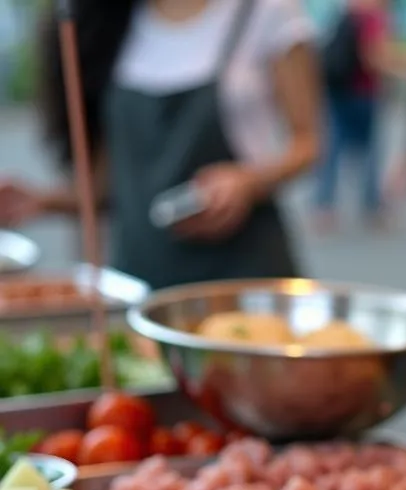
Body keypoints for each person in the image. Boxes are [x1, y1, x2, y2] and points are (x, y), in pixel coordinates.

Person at [0, 0, 320, 289]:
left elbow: (307, 143)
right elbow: (110, 189)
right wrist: (41, 201)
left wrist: (247, 182)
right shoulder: (113, 22)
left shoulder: (266, 11)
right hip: (139, 279)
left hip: (244, 276)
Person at [311, 0, 390, 233]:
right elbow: (372, 55)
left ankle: (323, 205)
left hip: (337, 90)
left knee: (332, 149)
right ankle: (371, 205)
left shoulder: (343, 14)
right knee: (371, 151)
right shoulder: (373, 18)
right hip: (363, 92)